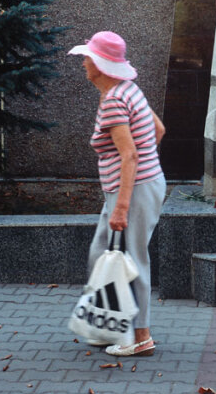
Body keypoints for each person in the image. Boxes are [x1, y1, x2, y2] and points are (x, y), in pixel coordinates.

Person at [68, 31, 166, 357]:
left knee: (133, 259)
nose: (83, 63)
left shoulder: (113, 100)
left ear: (100, 64)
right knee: (101, 250)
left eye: (88, 58)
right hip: (138, 186)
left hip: (133, 190)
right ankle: (109, 323)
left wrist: (123, 205)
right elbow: (158, 130)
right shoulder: (127, 90)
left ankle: (140, 337)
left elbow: (130, 155)